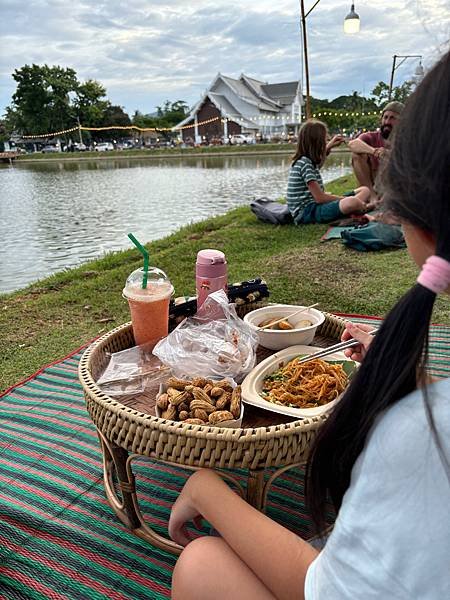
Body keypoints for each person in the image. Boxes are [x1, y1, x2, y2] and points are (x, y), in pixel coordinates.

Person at [168, 50, 450, 600]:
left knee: (199, 563)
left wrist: (207, 490)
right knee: (348, 204)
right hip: (309, 214)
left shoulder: (424, 437)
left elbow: (327, 590)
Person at [286, 120, 372, 225]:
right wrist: (346, 199)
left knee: (365, 190)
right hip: (307, 212)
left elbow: (319, 163)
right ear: (317, 143)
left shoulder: (308, 161)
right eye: (324, 140)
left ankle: (358, 206)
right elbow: (320, 198)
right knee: (351, 202)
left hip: (314, 206)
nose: (326, 142)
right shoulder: (305, 164)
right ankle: (361, 206)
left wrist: (330, 146)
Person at [348, 100, 404, 197]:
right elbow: (353, 144)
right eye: (385, 117)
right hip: (372, 187)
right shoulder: (371, 136)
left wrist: (389, 154)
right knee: (357, 155)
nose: (387, 122)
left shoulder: (407, 140)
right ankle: (371, 196)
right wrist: (374, 151)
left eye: (392, 118)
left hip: (396, 188)